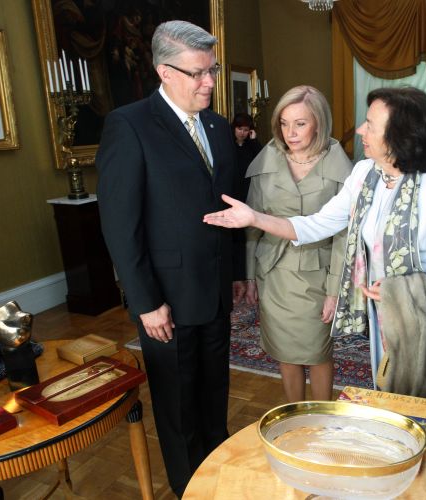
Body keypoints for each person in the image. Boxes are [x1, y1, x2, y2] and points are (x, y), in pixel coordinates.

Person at [205, 87, 426, 420]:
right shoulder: (365, 174)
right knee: (389, 391)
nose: (361, 129)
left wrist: (405, 291)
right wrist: (255, 218)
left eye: (370, 124)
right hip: (384, 308)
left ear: (400, 135)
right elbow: (318, 224)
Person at [96, 20, 245, 497]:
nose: (209, 82)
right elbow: (121, 225)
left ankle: (217, 479)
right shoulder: (129, 125)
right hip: (166, 301)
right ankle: (189, 490)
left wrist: (236, 273)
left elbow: (229, 205)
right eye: (198, 73)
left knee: (214, 395)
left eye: (212, 70)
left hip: (215, 291)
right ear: (164, 71)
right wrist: (145, 302)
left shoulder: (218, 127)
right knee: (179, 408)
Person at [245, 85, 351, 402]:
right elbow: (251, 224)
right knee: (285, 351)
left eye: (300, 123)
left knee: (318, 353)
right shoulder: (267, 159)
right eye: (284, 123)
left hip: (319, 276)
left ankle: (322, 418)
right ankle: (295, 416)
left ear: (318, 122)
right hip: (274, 273)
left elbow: (344, 236)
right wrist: (249, 277)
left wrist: (334, 290)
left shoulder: (340, 167)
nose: (290, 133)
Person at [231, 112, 262, 199]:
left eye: (246, 130)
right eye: (239, 129)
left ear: (250, 131)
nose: (242, 133)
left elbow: (261, 159)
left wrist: (254, 140)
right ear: (234, 128)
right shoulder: (228, 144)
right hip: (232, 188)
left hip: (248, 188)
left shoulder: (251, 145)